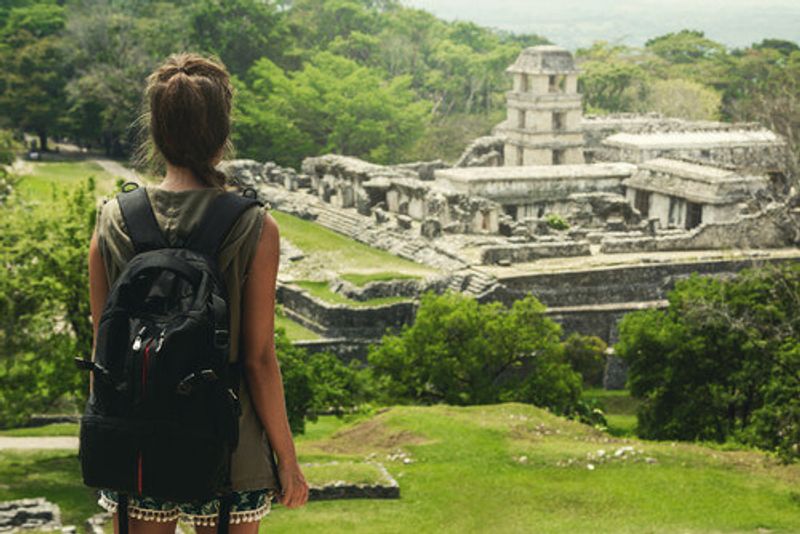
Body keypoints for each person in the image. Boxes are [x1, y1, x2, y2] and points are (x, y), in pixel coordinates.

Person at [87, 52, 309, 534]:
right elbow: (258, 358)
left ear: (157, 130)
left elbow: (102, 345)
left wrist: (106, 435)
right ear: (221, 133)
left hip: (136, 434)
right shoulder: (253, 225)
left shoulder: (112, 219)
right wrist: (286, 460)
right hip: (227, 442)